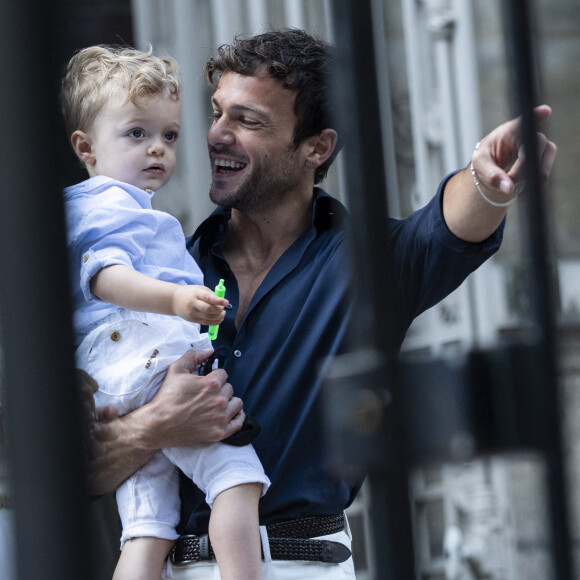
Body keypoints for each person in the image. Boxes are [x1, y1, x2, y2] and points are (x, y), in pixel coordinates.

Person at [84, 30, 557, 579]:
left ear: (316, 147)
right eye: (217, 113)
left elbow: (447, 223)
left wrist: (488, 182)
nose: (216, 135)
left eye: (248, 120)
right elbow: (78, 470)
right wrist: (155, 427)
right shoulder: (161, 275)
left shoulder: (369, 263)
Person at [60, 45, 270, 580]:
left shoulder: (90, 207)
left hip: (116, 381)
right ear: (86, 147)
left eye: (168, 135)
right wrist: (176, 299)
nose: (157, 149)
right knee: (236, 479)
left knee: (149, 525)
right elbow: (105, 277)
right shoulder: (111, 202)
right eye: (136, 134)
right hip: (145, 355)